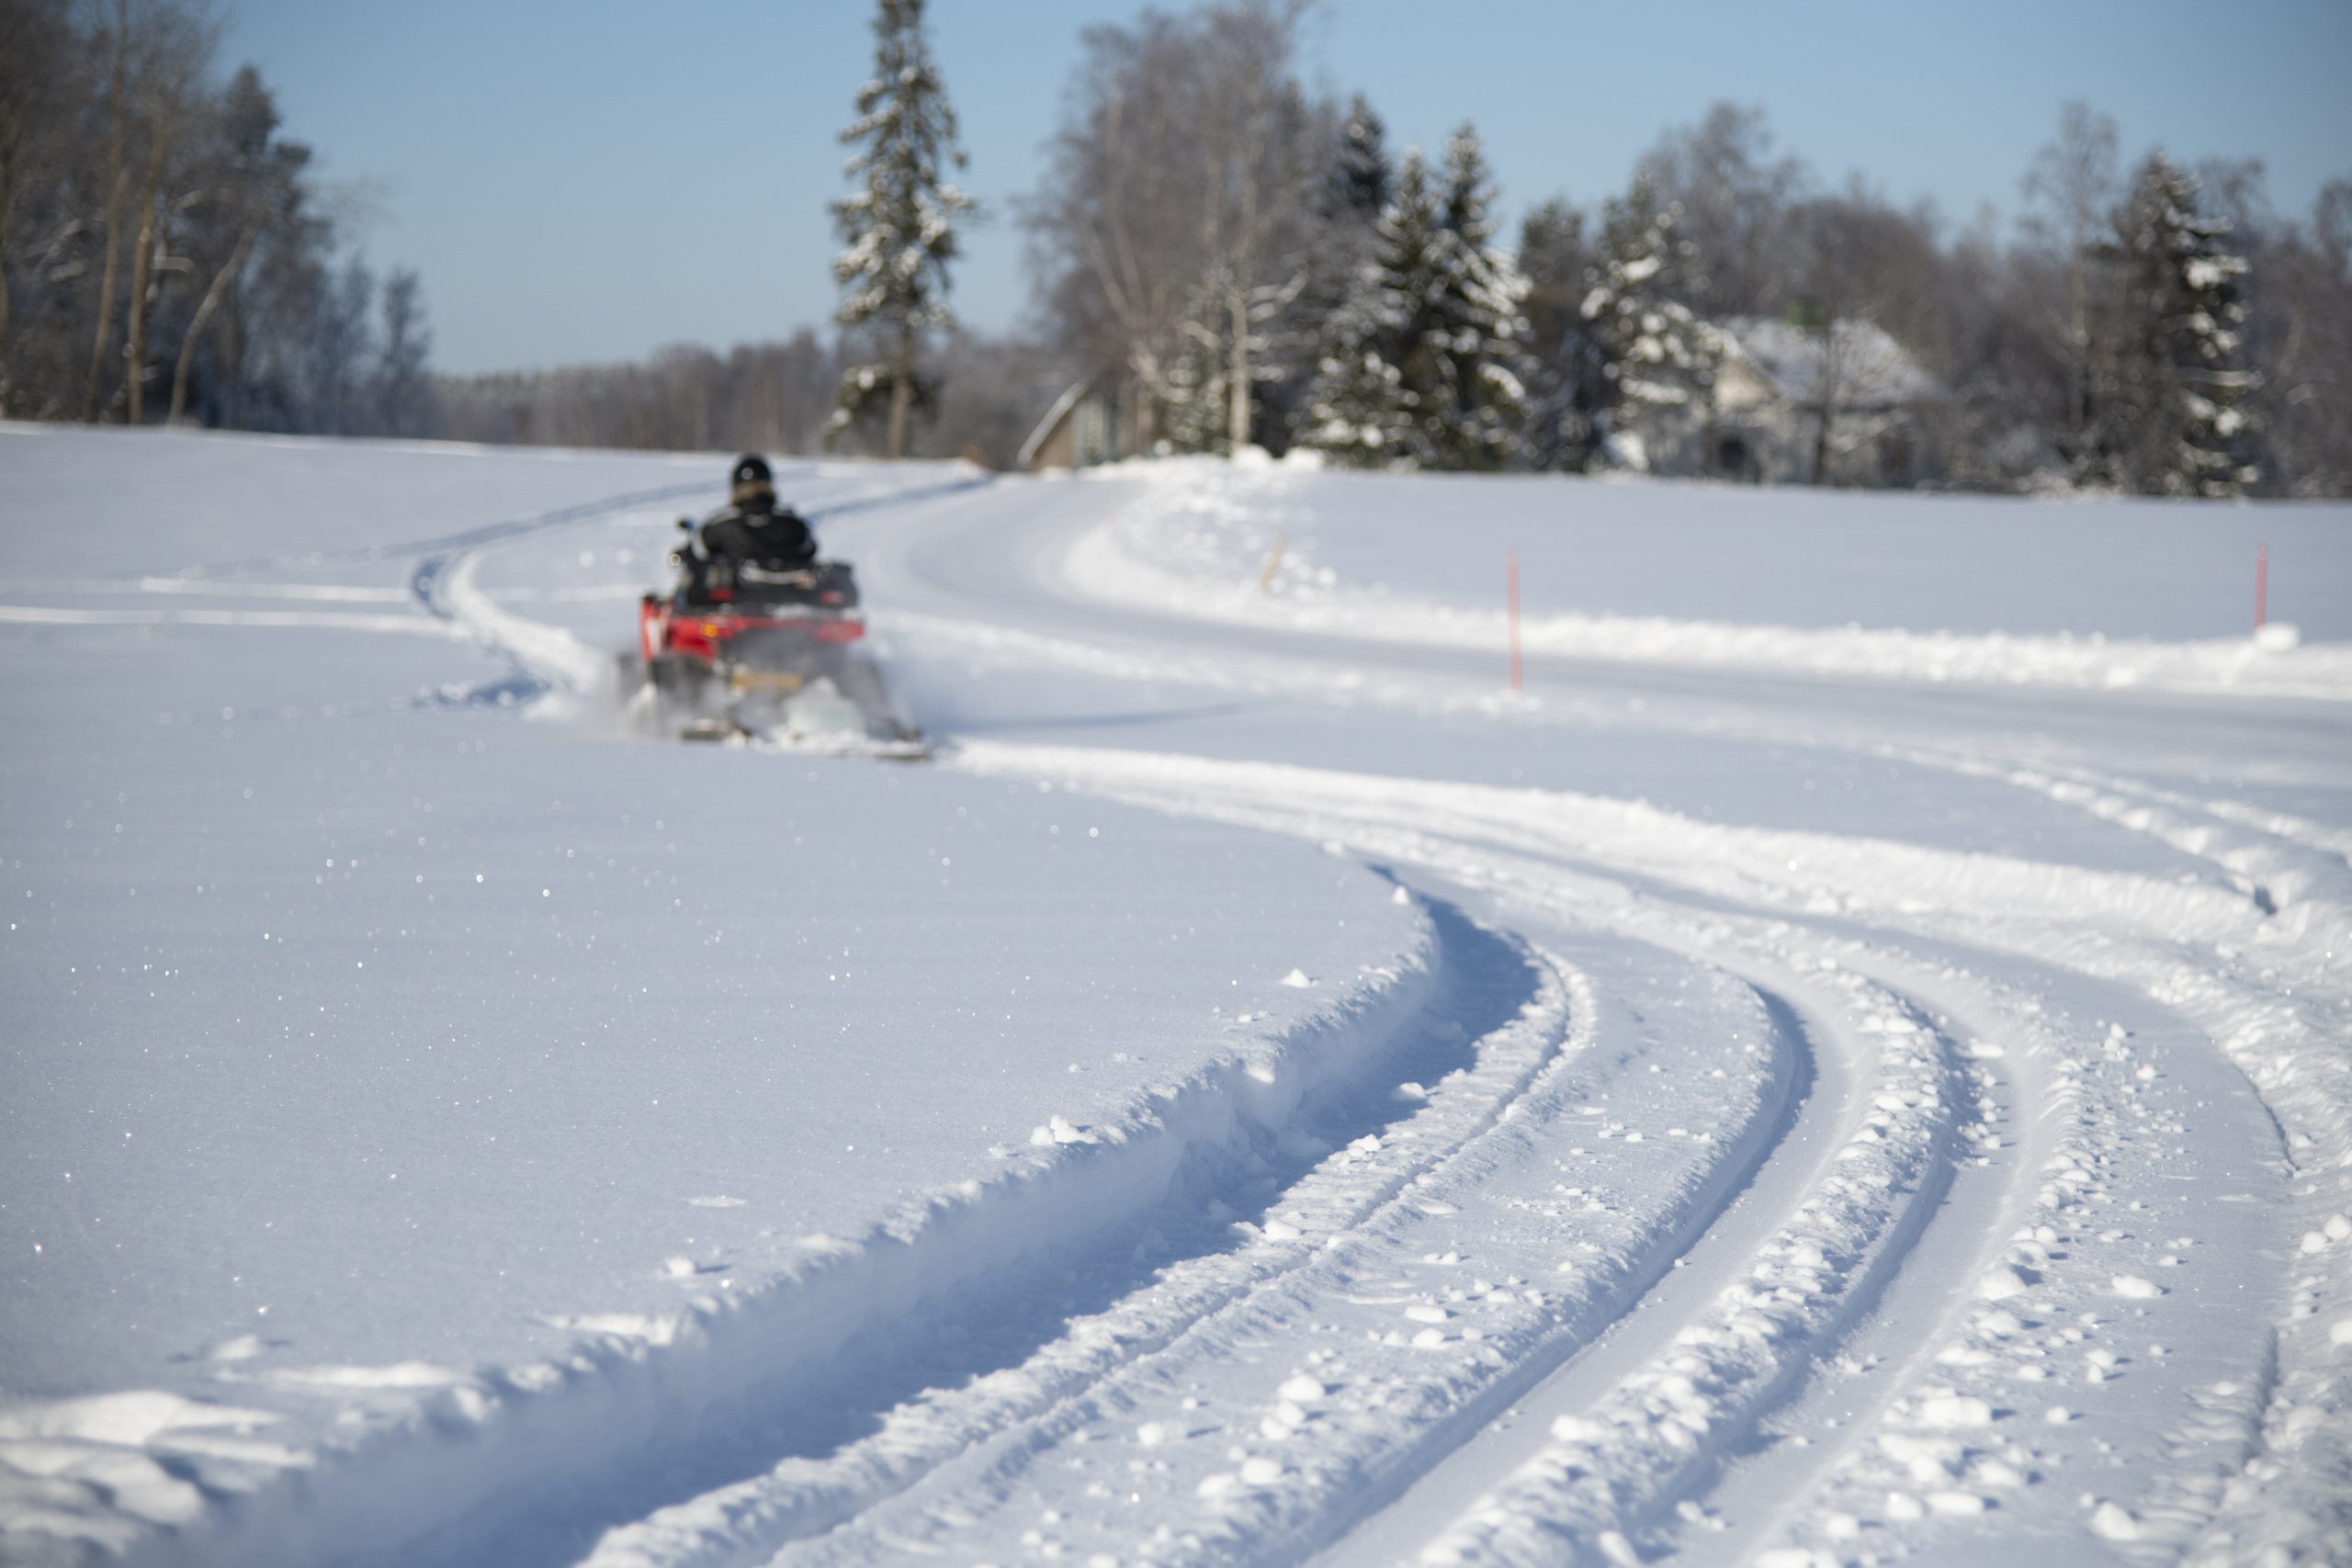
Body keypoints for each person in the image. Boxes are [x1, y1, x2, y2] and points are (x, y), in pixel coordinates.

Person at [695, 455, 817, 574]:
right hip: (788, 590)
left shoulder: (719, 522)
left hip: (734, 590)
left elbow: (698, 550)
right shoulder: (791, 520)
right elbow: (809, 549)